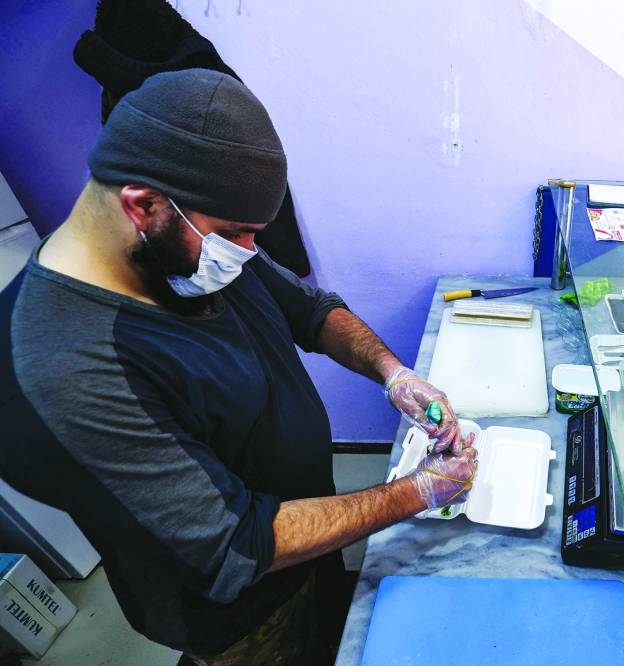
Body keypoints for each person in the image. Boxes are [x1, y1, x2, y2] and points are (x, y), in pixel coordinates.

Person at [0, 69, 476, 664]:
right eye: (236, 234)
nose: (248, 253)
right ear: (144, 206)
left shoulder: (190, 249)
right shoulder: (63, 370)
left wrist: (392, 373)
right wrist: (419, 490)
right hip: (240, 613)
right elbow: (239, 541)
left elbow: (311, 310)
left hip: (313, 536)